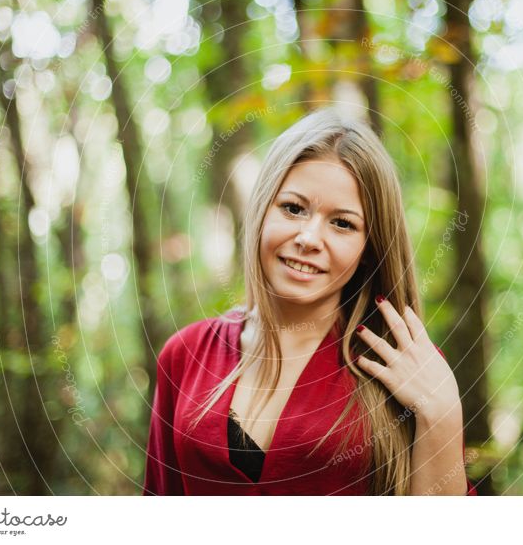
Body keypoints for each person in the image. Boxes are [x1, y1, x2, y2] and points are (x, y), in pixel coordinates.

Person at [143, 107, 477, 495]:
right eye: (293, 208)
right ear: (261, 212)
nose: (309, 238)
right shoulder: (187, 353)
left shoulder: (404, 365)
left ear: (369, 248)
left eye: (342, 223)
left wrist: (444, 415)